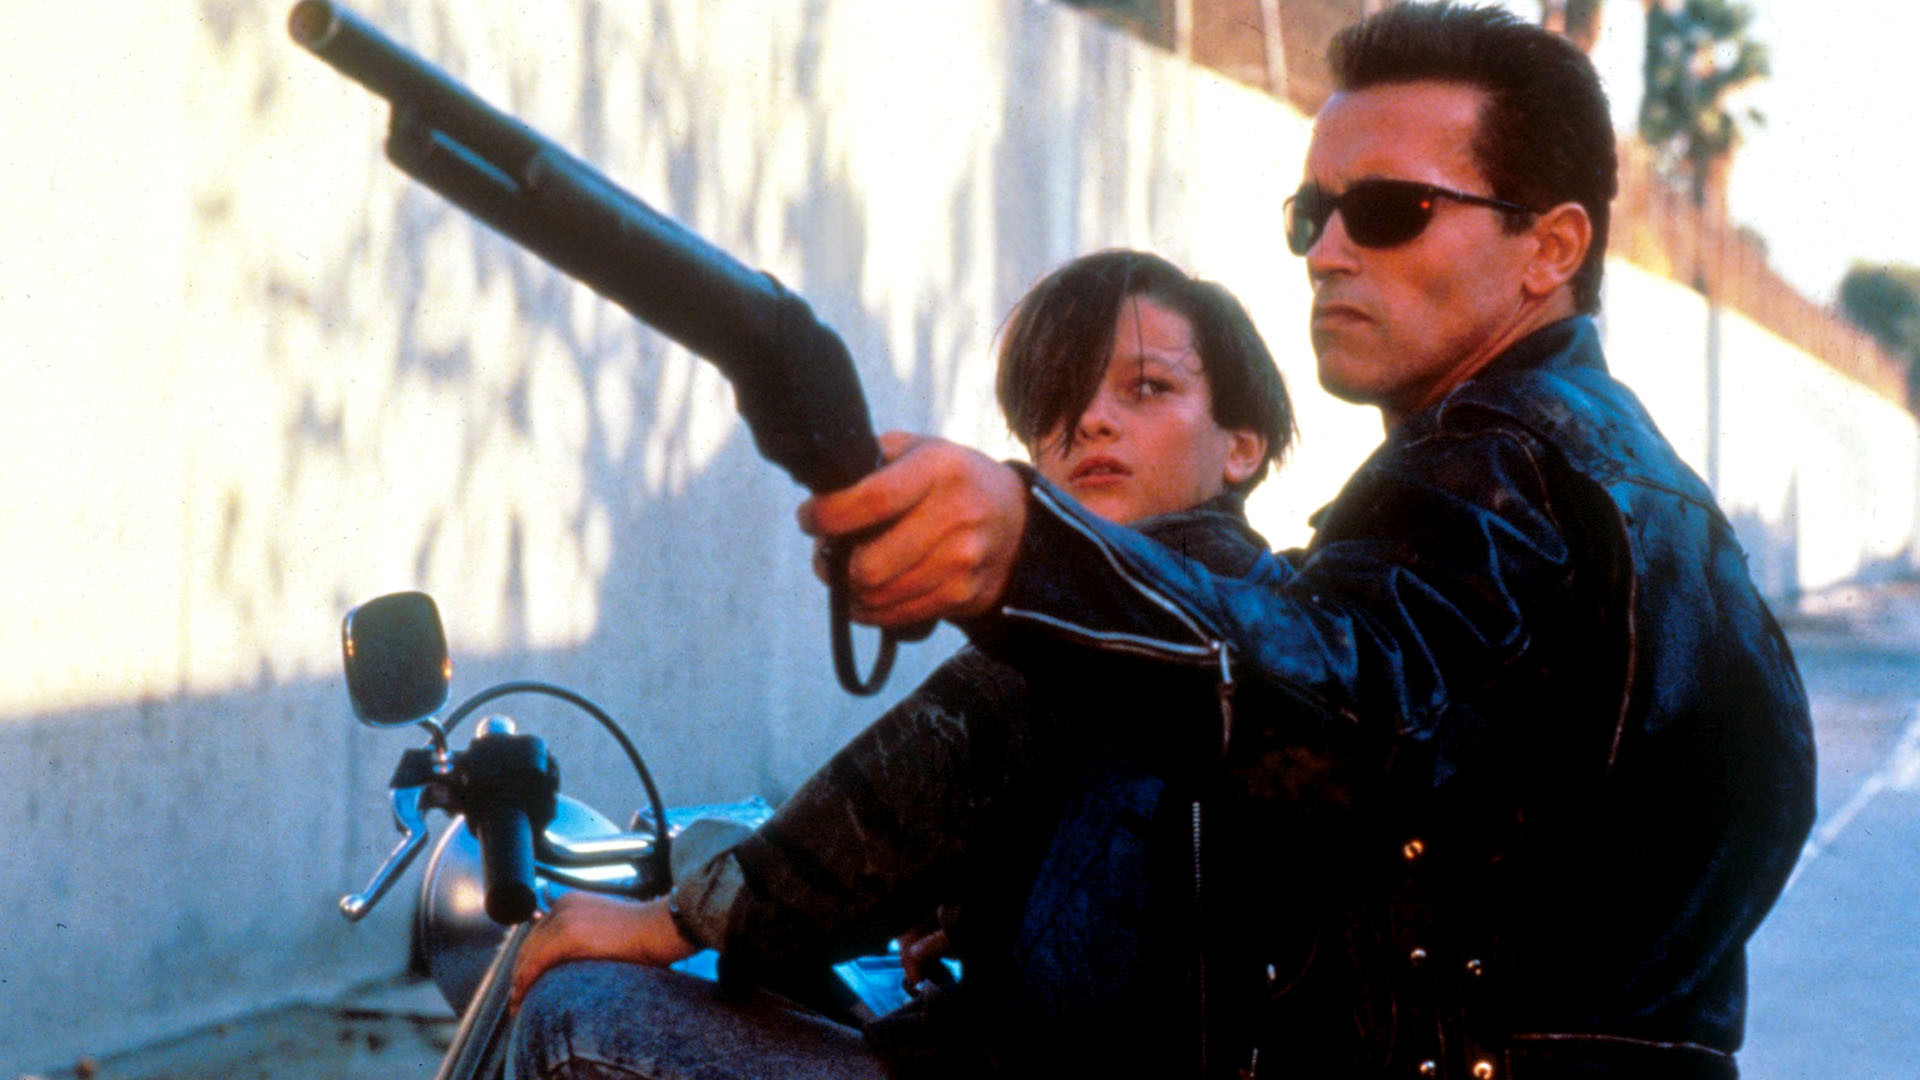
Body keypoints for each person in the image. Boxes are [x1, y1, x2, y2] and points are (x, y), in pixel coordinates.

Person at [794, 5, 1816, 1077]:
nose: (1327, 253)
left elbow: (1342, 709)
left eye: (1388, 210)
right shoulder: (1634, 492)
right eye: (1311, 214)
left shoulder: (1505, 461)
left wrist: (1030, 554)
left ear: (1550, 248)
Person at [509, 249, 1297, 1077]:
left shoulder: (1136, 603)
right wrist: (985, 908)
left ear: (1241, 447)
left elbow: (926, 775)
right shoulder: (1257, 602)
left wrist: (675, 922)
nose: (1092, 420)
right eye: (1060, 400)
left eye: (1148, 388)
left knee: (578, 1013)